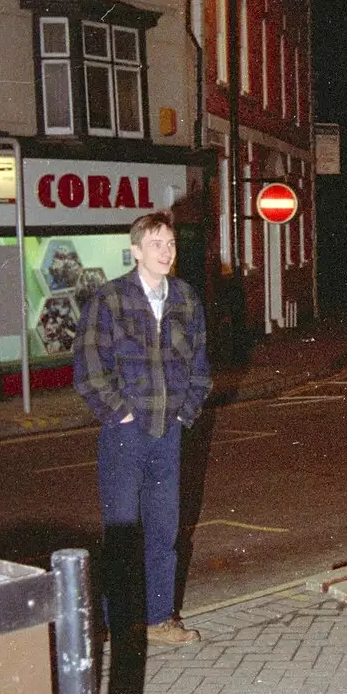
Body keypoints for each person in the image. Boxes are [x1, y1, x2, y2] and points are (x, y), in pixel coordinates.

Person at [73, 211, 212, 647]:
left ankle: (157, 620)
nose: (166, 252)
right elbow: (89, 366)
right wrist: (120, 413)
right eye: (156, 244)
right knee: (121, 532)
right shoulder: (110, 299)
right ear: (135, 251)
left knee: (163, 531)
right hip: (124, 434)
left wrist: (185, 414)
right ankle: (119, 625)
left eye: (170, 243)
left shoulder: (186, 299)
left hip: (168, 432)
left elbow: (201, 368)